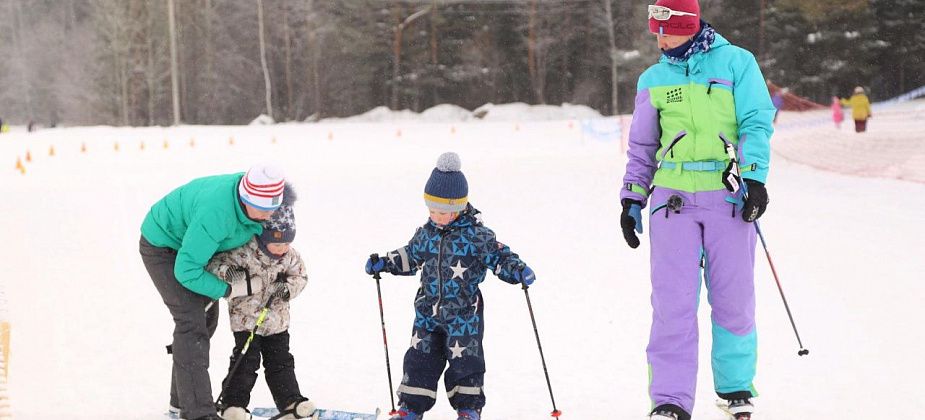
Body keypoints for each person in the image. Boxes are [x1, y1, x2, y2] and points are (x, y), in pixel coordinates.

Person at [620, 1, 775, 419]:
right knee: (672, 304)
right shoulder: (653, 79)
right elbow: (642, 146)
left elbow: (757, 121)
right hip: (673, 202)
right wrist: (632, 197)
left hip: (728, 197)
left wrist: (755, 177)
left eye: (665, 31)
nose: (659, 40)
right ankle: (670, 400)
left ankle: (735, 386)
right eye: (655, 31)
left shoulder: (737, 63)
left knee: (734, 298)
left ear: (688, 25)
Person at [365, 152, 536, 420]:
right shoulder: (427, 233)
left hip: (464, 317)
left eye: (442, 212)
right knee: (419, 360)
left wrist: (517, 269)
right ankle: (410, 408)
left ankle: (468, 409)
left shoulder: (476, 235)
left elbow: (498, 255)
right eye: (431, 210)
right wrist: (385, 263)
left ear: (458, 207)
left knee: (465, 364)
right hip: (427, 314)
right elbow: (411, 255)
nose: (436, 216)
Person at [140, 164, 287, 420]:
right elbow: (186, 270)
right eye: (262, 208)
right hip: (163, 245)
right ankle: (198, 413)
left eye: (273, 207)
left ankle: (181, 402)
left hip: (197, 247)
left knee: (207, 318)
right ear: (246, 198)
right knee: (191, 321)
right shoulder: (217, 213)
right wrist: (228, 289)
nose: (269, 215)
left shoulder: (263, 202)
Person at [206, 184, 316, 420]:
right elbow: (215, 263)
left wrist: (286, 289)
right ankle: (233, 405)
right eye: (278, 243)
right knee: (246, 361)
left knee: (281, 362)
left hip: (277, 322)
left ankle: (290, 403)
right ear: (264, 237)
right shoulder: (243, 251)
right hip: (246, 320)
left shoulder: (290, 256)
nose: (283, 248)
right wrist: (229, 273)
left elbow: (301, 277)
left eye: (287, 242)